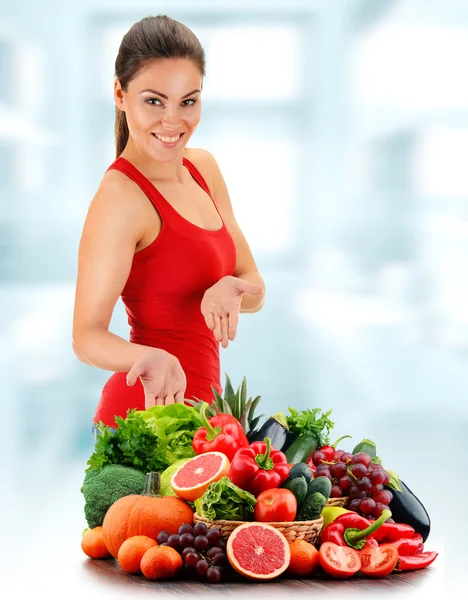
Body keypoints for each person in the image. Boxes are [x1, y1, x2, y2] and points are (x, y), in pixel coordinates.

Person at [72, 15, 266, 434]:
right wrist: (146, 356)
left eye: (188, 101)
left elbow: (254, 286)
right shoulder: (120, 199)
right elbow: (85, 337)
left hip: (209, 418)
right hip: (143, 418)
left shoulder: (203, 168)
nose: (173, 121)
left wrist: (229, 290)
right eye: (154, 101)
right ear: (120, 95)